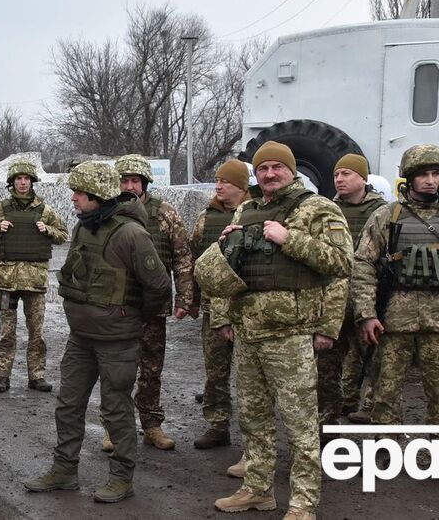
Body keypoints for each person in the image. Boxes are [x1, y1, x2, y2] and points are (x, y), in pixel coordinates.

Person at [200, 141, 352, 520]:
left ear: (291, 170)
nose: (269, 174)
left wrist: (290, 239)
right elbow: (230, 272)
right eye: (262, 168)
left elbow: (341, 262)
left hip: (291, 335)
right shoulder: (246, 209)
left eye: (276, 168)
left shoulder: (318, 208)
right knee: (253, 418)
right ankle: (257, 490)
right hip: (247, 332)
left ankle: (303, 503)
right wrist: (225, 250)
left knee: (300, 424)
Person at [23, 161, 171, 503]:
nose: (73, 198)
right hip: (82, 337)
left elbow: (160, 286)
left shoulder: (131, 234)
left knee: (115, 409)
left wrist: (131, 318)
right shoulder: (84, 227)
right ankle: (64, 470)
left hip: (117, 341)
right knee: (68, 404)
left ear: (97, 195)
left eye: (79, 193)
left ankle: (121, 478)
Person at [353, 144, 439, 486]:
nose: (431, 181)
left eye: (436, 175)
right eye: (423, 174)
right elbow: (363, 266)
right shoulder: (386, 217)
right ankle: (384, 454)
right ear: (410, 177)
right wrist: (366, 314)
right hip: (394, 321)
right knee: (386, 390)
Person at [114, 154, 195, 450]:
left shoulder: (165, 214)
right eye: (124, 180)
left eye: (135, 180)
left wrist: (185, 297)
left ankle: (151, 424)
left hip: (152, 306)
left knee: (151, 369)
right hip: (118, 306)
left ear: (145, 183)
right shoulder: (109, 212)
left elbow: (182, 258)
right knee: (118, 369)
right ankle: (115, 427)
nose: (130, 186)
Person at [0, 159, 68, 393]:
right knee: (7, 331)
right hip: (6, 280)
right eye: (18, 179)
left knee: (37, 331)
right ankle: (2, 376)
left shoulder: (45, 210)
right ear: (12, 182)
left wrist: (48, 230)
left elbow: (63, 234)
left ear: (32, 181)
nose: (23, 183)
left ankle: (36, 376)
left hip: (35, 280)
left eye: (26, 179)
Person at [319, 154, 386, 432]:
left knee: (373, 357)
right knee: (327, 362)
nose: (339, 179)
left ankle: (369, 408)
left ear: (363, 178)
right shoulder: (327, 209)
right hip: (333, 298)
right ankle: (329, 415)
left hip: (367, 296)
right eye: (337, 174)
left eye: (346, 174)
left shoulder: (382, 212)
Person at [188, 159, 250, 451]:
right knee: (215, 369)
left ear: (241, 185)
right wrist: (193, 298)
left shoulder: (256, 214)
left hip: (247, 308)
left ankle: (255, 435)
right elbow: (194, 259)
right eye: (217, 180)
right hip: (213, 308)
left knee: (251, 374)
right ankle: (217, 424)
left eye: (225, 181)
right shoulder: (205, 217)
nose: (218, 185)